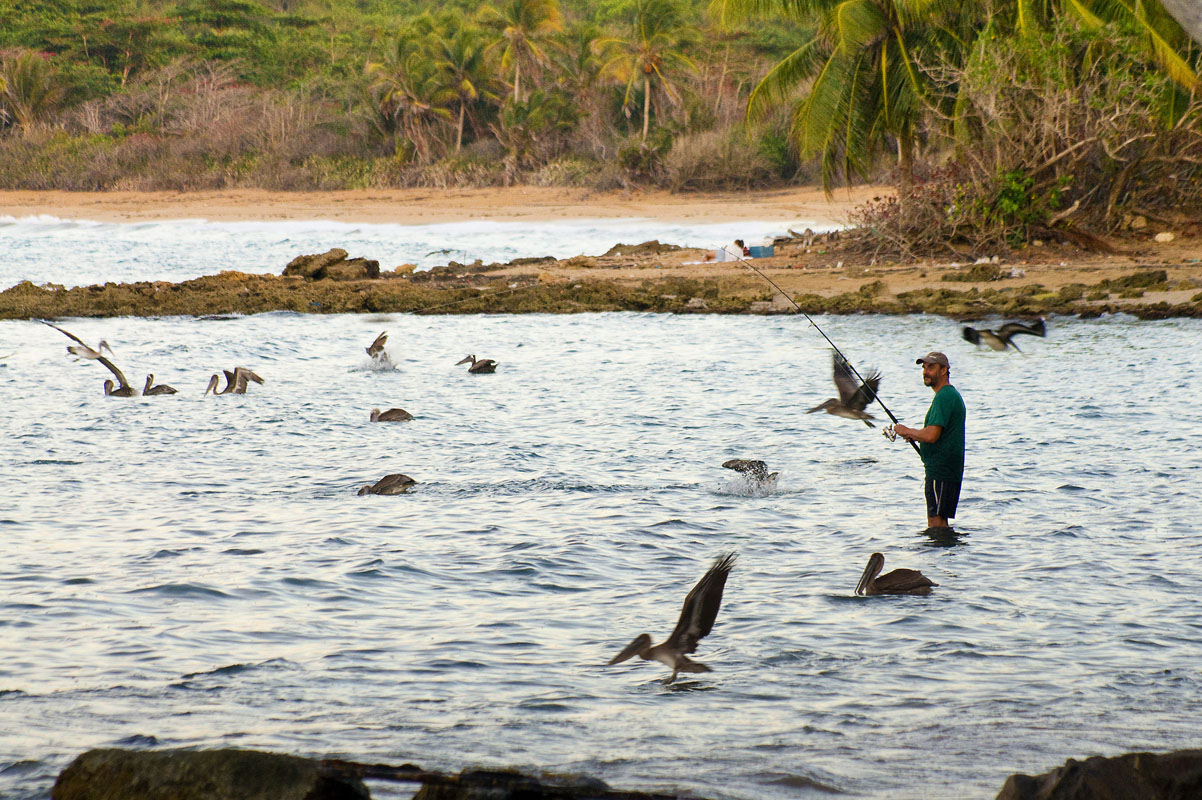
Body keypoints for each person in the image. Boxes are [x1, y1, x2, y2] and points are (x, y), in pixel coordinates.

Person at [893, 351, 965, 529]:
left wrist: (905, 430)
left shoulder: (945, 397)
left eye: (931, 367)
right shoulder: (949, 395)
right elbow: (936, 434)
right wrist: (914, 435)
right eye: (924, 368)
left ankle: (938, 555)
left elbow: (932, 435)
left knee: (936, 522)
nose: (926, 372)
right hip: (947, 469)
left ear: (944, 370)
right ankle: (948, 554)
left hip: (941, 470)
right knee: (941, 522)